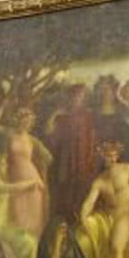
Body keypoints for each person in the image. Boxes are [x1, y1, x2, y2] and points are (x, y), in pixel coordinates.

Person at [0, 101, 52, 241]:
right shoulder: (10, 134)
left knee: (32, 213)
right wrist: (2, 105)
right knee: (16, 213)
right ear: (18, 120)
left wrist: (43, 178)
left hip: (31, 177)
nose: (27, 124)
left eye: (29, 121)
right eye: (24, 120)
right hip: (14, 177)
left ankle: (32, 248)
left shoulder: (32, 140)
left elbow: (47, 158)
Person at [44, 83, 98, 223]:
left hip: (82, 158)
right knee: (65, 190)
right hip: (65, 159)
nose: (78, 98)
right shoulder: (62, 116)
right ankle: (63, 223)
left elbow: (92, 138)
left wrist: (91, 157)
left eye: (81, 96)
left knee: (81, 190)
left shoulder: (88, 115)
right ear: (70, 97)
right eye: (75, 95)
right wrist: (55, 115)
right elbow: (49, 134)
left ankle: (78, 221)